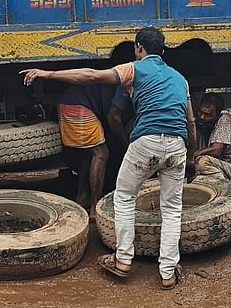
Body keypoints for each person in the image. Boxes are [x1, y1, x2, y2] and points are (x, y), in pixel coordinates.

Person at [22, 26, 197, 289]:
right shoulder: (180, 79)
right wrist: (192, 157)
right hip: (176, 145)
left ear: (139, 47)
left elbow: (91, 76)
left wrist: (48, 73)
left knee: (124, 197)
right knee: (171, 209)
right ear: (163, 49)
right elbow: (191, 123)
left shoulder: (134, 69)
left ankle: (124, 261)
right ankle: (168, 272)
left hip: (146, 141)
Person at [57, 81, 122, 214]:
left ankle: (82, 196)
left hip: (66, 102)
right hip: (79, 106)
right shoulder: (126, 86)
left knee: (88, 153)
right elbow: (113, 117)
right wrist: (124, 141)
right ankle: (95, 207)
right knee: (101, 153)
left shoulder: (114, 79)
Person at [194, 93, 231, 185]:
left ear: (217, 115)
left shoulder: (225, 120)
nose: (202, 117)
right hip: (220, 168)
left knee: (202, 161)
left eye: (208, 115)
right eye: (201, 112)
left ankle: (226, 189)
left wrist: (194, 155)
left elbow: (216, 150)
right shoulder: (202, 124)